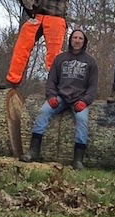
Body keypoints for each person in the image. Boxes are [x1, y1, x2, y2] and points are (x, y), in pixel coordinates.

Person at [24, 29, 98, 170]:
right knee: (44, 111)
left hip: (79, 100)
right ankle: (33, 152)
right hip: (61, 97)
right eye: (74, 37)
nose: (77, 40)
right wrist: (51, 96)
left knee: (82, 120)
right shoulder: (60, 59)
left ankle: (78, 160)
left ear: (84, 42)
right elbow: (51, 80)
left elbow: (93, 87)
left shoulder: (91, 62)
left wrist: (85, 101)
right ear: (70, 40)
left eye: (80, 38)